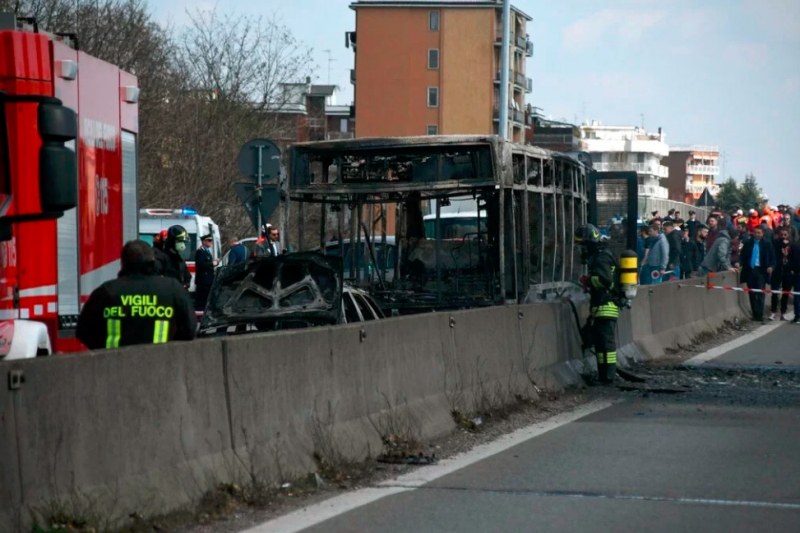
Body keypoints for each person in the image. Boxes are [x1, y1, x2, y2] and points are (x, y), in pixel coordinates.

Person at [77, 240, 196, 349]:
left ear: (123, 262)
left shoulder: (107, 291)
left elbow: (83, 331)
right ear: (153, 261)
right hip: (160, 363)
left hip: (114, 366)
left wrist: (103, 351)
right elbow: (189, 329)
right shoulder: (172, 288)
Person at [575, 224, 621, 384]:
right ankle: (604, 375)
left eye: (584, 245)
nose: (583, 249)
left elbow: (605, 280)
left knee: (606, 344)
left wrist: (588, 280)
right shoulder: (604, 254)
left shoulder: (601, 257)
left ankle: (608, 376)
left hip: (606, 305)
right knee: (601, 343)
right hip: (603, 305)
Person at [740, 226, 775, 322]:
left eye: (759, 233)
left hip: (761, 271)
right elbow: (742, 256)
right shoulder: (748, 243)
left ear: (762, 233)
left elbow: (773, 258)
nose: (757, 234)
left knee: (760, 292)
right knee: (751, 293)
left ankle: (760, 314)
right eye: (755, 232)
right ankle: (755, 314)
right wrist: (738, 263)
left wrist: (771, 267)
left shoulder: (767, 244)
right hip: (750, 270)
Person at [769, 228, 795, 321]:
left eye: (785, 234)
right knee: (774, 292)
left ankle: (783, 313)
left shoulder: (792, 245)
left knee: (786, 293)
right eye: (782, 235)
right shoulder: (776, 244)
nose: (783, 236)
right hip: (777, 270)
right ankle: (773, 311)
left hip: (787, 271)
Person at [155, 225, 192, 289]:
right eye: (180, 241)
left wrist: (186, 284)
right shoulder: (161, 258)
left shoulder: (180, 259)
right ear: (172, 241)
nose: (182, 244)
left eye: (183, 242)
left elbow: (187, 276)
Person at [194, 233, 217, 311]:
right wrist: (212, 263)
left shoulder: (207, 251)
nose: (211, 242)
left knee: (207, 299)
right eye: (209, 240)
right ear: (204, 242)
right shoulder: (200, 252)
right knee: (201, 300)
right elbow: (201, 264)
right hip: (203, 280)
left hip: (208, 279)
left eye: (211, 240)